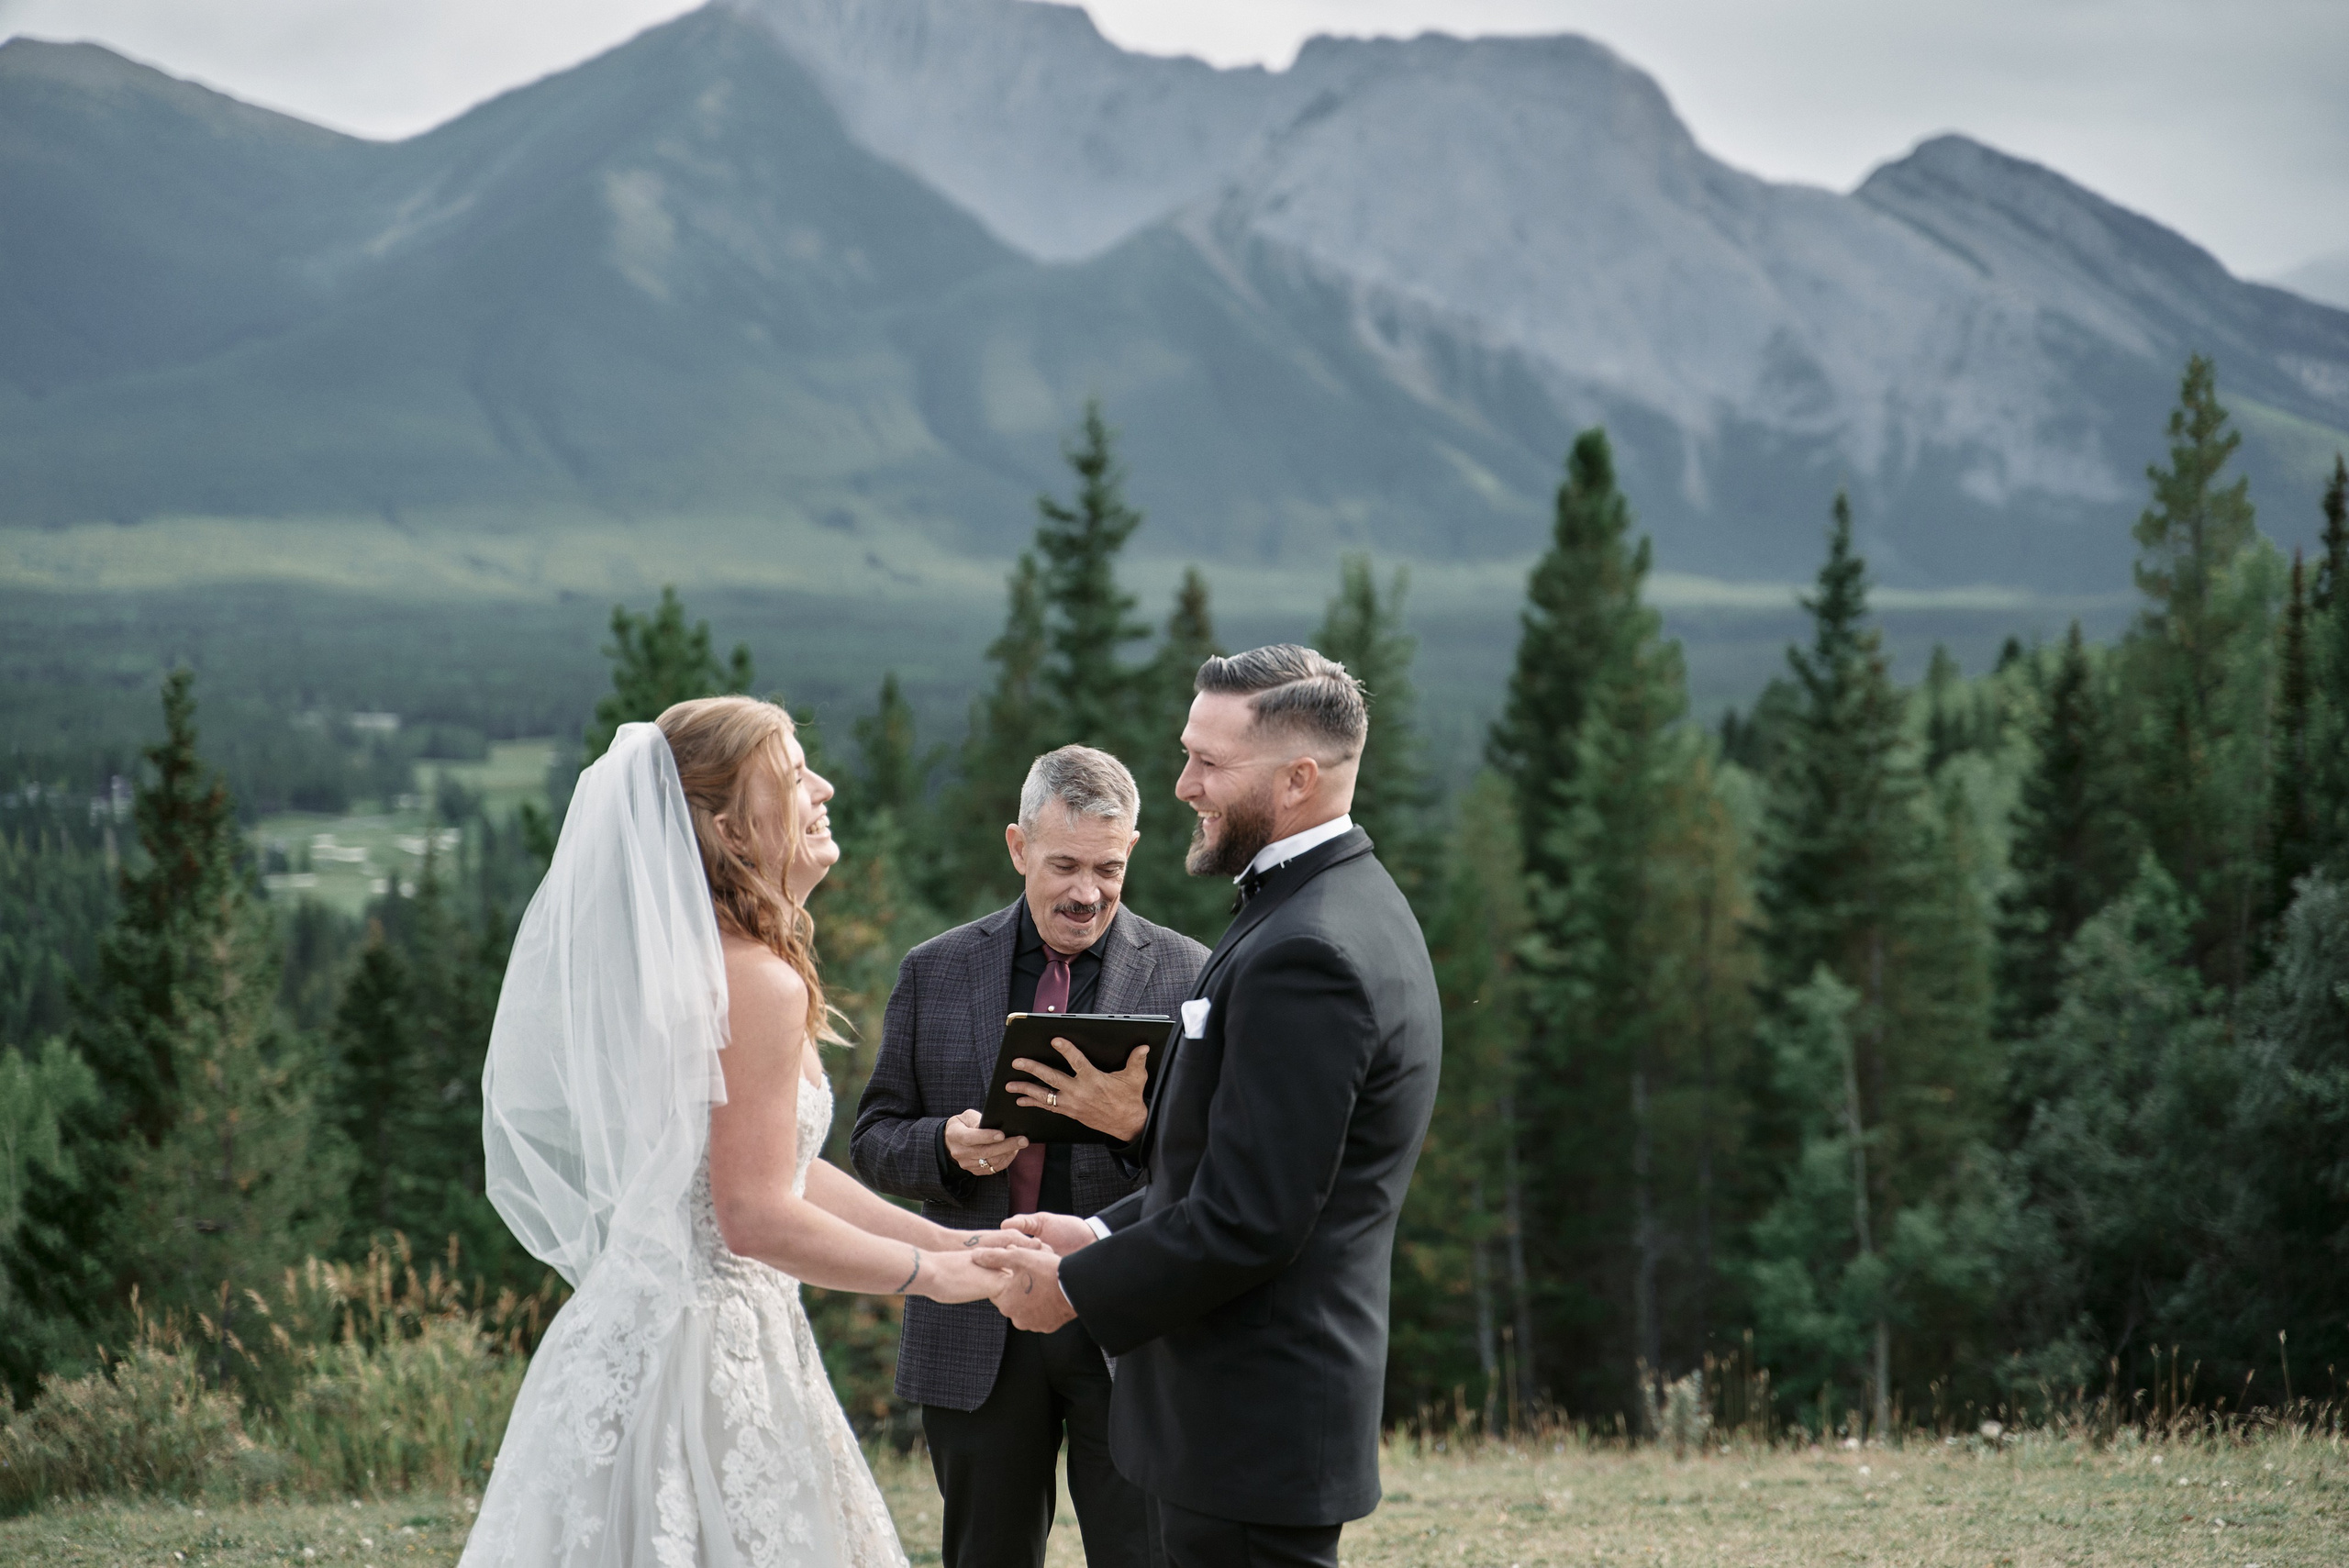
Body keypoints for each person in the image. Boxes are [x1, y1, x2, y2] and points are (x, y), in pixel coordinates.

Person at [460, 697, 1019, 1568]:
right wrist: (931, 1277)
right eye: (793, 778)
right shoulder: (755, 981)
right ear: (729, 827)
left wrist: (953, 1241)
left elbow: (780, 1168)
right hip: (705, 1353)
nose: (823, 789)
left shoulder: (703, 967)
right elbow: (753, 1213)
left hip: (655, 1326)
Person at [976, 647, 1442, 1568]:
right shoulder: (1323, 904)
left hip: (1251, 1418)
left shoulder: (1309, 951)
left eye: (1208, 762)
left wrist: (1073, 1286)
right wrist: (1097, 1232)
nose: (1183, 784)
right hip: (1237, 1419)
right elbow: (1233, 1157)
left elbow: (1251, 1216)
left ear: (1297, 779)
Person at [852, 745, 1208, 1568]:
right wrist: (943, 1147)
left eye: (1109, 868)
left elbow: (1215, 1164)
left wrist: (1135, 1126)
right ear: (1018, 847)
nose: (1088, 893)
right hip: (976, 1319)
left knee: (1144, 1555)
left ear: (1133, 850)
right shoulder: (934, 970)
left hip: (1126, 1320)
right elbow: (872, 1139)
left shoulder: (1189, 972)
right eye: (1065, 866)